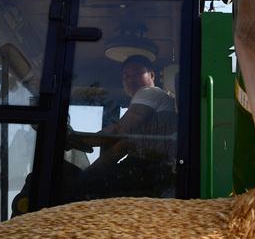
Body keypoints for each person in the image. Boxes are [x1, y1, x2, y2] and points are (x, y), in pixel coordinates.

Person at [66, 54, 178, 200]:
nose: (130, 79)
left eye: (137, 73)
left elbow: (118, 130)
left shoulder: (150, 92)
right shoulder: (146, 115)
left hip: (150, 170)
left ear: (152, 75)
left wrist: (79, 140)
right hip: (149, 172)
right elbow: (117, 151)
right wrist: (86, 175)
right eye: (126, 76)